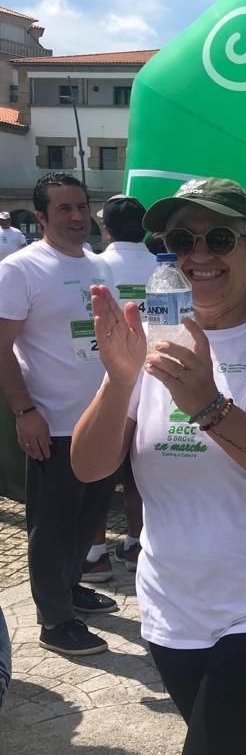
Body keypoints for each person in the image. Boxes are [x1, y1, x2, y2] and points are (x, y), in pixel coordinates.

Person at [70, 177, 246, 755]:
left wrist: (207, 405)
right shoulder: (151, 341)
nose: (197, 256)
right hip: (174, 603)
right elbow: (91, 468)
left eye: (219, 238)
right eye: (179, 241)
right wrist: (120, 381)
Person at [0, 173, 118, 657]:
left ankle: (70, 590)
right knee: (51, 527)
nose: (75, 217)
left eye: (81, 207)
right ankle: (54, 621)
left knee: (87, 518)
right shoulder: (21, 269)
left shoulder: (100, 267)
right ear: (42, 217)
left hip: (102, 424)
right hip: (53, 425)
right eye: (64, 209)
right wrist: (24, 411)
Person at [81, 195, 155, 583]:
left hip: (107, 383)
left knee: (97, 474)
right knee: (140, 473)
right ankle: (134, 542)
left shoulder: (94, 265)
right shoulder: (163, 267)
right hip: (155, 385)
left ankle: (95, 554)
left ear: (105, 227)